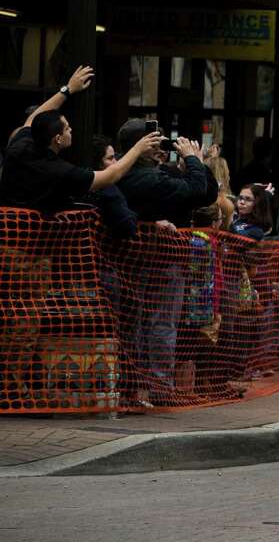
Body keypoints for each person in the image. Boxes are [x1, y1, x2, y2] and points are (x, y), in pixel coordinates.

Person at [114, 120, 219, 399]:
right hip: (157, 262)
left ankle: (133, 388)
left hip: (137, 261)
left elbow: (206, 193)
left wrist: (197, 164)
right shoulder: (145, 178)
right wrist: (192, 160)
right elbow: (197, 190)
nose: (162, 150)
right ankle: (158, 389)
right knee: (156, 326)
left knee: (137, 325)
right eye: (156, 143)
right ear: (143, 145)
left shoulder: (134, 173)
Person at [0, 66, 163, 214]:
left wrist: (67, 89)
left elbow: (34, 118)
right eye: (67, 128)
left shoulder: (20, 144)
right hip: (35, 241)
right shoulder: (58, 170)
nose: (71, 130)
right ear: (57, 139)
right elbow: (109, 176)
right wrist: (138, 148)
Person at [82, 135, 138, 238]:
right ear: (98, 163)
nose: (115, 162)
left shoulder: (80, 182)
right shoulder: (108, 190)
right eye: (110, 158)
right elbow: (127, 227)